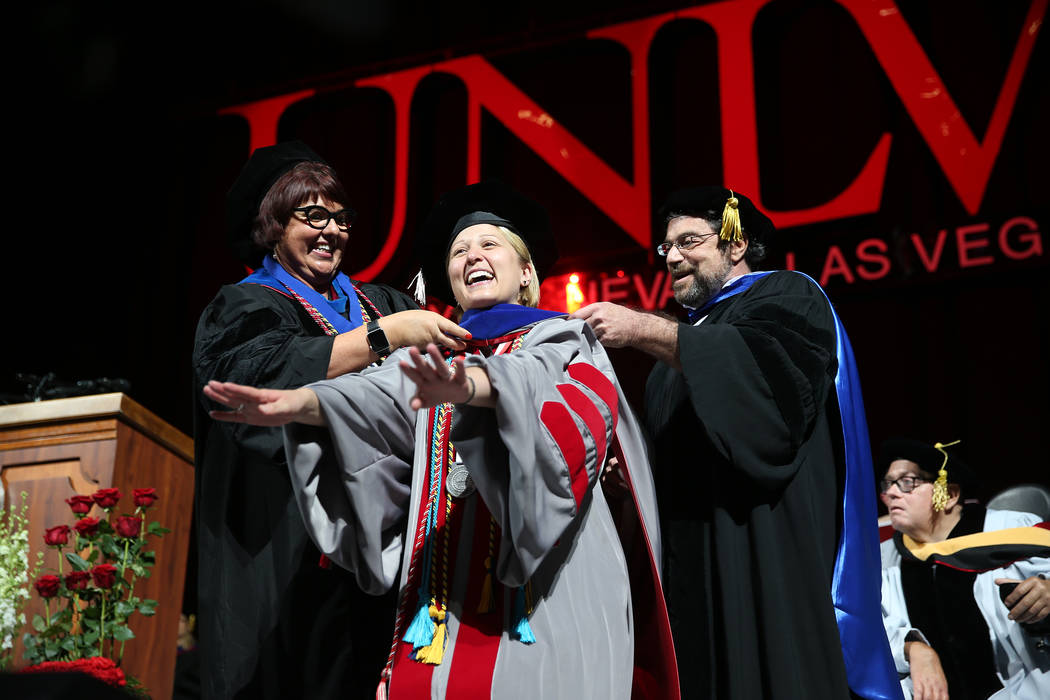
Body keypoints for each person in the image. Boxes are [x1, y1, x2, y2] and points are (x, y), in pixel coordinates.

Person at [202, 181, 678, 699]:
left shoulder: (563, 337)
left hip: (548, 592)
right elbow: (376, 395)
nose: (471, 255)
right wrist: (303, 404)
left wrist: (477, 385)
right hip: (439, 604)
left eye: (489, 244)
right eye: (458, 250)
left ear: (525, 273)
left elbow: (555, 407)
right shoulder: (438, 360)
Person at [573, 186, 900, 699]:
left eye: (688, 241)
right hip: (693, 571)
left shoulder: (789, 297)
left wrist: (641, 326)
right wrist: (632, 480)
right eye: (665, 248)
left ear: (736, 242)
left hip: (766, 553)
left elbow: (762, 405)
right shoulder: (671, 364)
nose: (673, 257)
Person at [192, 141, 470, 700]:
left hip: (389, 545)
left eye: (340, 218)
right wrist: (383, 338)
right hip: (288, 548)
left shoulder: (383, 301)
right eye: (312, 215)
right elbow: (256, 384)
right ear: (271, 225)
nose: (331, 231)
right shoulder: (245, 305)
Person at [878, 437, 1050, 700]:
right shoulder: (886, 559)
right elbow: (869, 631)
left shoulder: (1012, 530)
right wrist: (912, 648)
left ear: (949, 495)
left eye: (907, 482)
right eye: (888, 484)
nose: (891, 492)